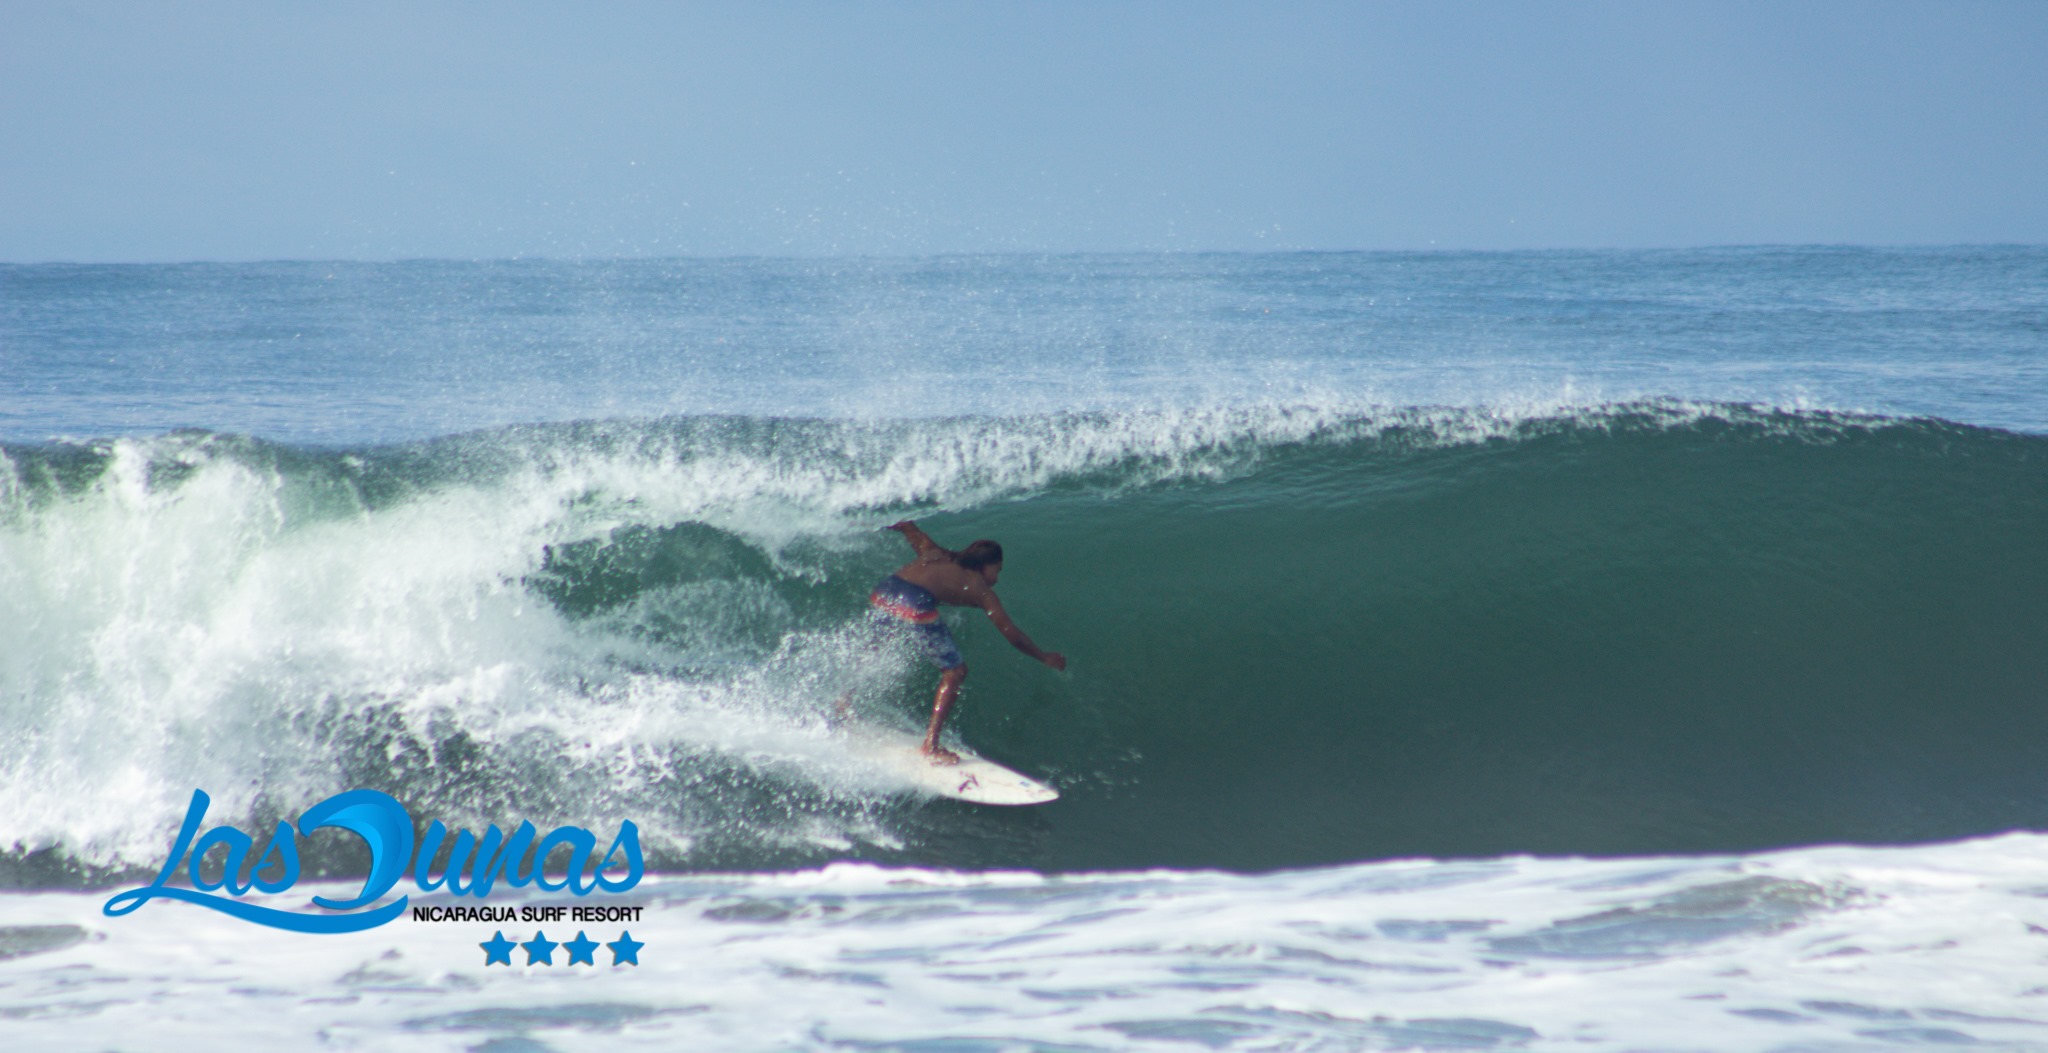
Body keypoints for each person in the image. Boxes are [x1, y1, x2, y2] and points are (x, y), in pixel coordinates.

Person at [863, 520, 1066, 764]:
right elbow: (1010, 632)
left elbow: (910, 529)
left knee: (875, 650)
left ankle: (843, 702)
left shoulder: (935, 554)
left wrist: (876, 520)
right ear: (985, 566)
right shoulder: (980, 590)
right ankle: (931, 745)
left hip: (884, 591)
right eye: (997, 570)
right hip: (915, 602)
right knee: (955, 671)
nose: (997, 578)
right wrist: (1043, 656)